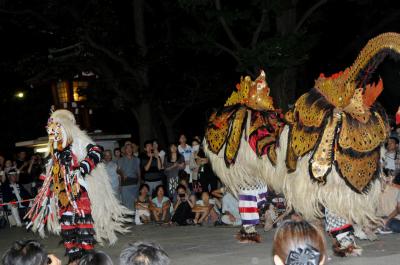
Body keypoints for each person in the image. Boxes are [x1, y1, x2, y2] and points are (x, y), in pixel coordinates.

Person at [26, 110, 131, 263]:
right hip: (62, 196)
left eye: (56, 128)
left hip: (78, 194)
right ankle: (75, 259)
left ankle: (88, 259)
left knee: (84, 229)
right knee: (68, 230)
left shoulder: (77, 139)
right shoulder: (56, 150)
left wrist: (81, 169)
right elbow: (50, 172)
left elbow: (96, 151)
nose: (53, 132)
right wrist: (43, 190)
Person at [118, 144, 141, 210]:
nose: (129, 150)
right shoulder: (120, 160)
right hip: (125, 184)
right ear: (125, 150)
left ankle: (135, 219)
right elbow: (118, 170)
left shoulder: (137, 159)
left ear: (132, 150)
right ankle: (127, 219)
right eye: (127, 148)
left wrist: (139, 183)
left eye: (130, 148)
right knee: (126, 204)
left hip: (134, 184)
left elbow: (139, 173)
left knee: (135, 203)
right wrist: (122, 174)